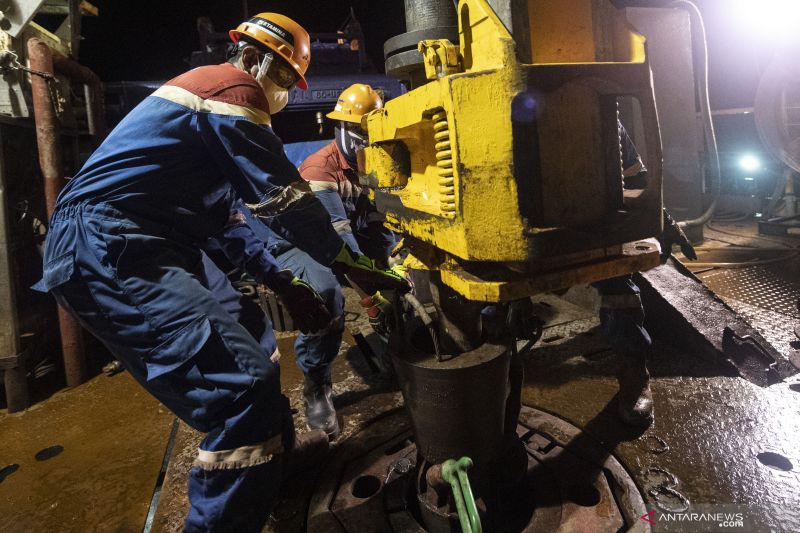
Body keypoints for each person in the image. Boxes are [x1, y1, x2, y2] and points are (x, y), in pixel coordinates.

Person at [36, 13, 403, 532]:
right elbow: (284, 200)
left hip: (157, 239)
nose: (281, 95)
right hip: (110, 242)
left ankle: (270, 467)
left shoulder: (206, 122)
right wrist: (352, 268)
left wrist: (279, 281)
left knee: (256, 340)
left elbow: (228, 224)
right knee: (240, 390)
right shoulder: (230, 87)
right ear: (252, 58)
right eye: (283, 80)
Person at [246, 84, 396, 439]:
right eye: (360, 131)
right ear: (341, 129)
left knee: (396, 278)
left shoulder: (376, 164)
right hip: (298, 243)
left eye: (371, 132)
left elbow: (378, 225)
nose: (366, 140)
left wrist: (390, 268)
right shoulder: (319, 170)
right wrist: (370, 295)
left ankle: (397, 346)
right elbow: (339, 242)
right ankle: (317, 386)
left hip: (345, 239)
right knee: (327, 295)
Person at [593, 122, 696, 427]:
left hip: (589, 228)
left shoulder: (601, 115)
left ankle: (634, 373)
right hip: (505, 234)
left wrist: (663, 221)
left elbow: (636, 179)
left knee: (619, 286)